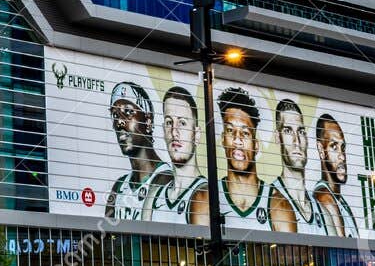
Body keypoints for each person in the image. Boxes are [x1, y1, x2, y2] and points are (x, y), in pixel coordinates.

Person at [104, 81, 172, 221]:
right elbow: (106, 239)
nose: (119, 122)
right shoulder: (119, 187)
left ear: (148, 121)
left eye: (128, 112)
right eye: (115, 115)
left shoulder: (166, 180)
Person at [152, 85, 211, 225]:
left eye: (182, 123)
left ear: (196, 135)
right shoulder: (156, 195)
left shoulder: (204, 194)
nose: (174, 132)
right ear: (163, 130)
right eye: (169, 122)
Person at [268, 98, 323, 233]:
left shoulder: (322, 211)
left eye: (301, 132)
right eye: (288, 131)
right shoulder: (270, 201)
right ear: (277, 137)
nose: (296, 141)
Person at [217, 86, 267, 224]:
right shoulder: (207, 197)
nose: (237, 140)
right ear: (223, 139)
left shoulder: (276, 203)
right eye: (230, 130)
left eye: (245, 133)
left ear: (256, 145)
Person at [312, 113, 359, 237]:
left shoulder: (340, 201)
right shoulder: (325, 199)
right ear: (321, 151)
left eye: (342, 147)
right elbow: (342, 253)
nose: (342, 156)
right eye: (334, 147)